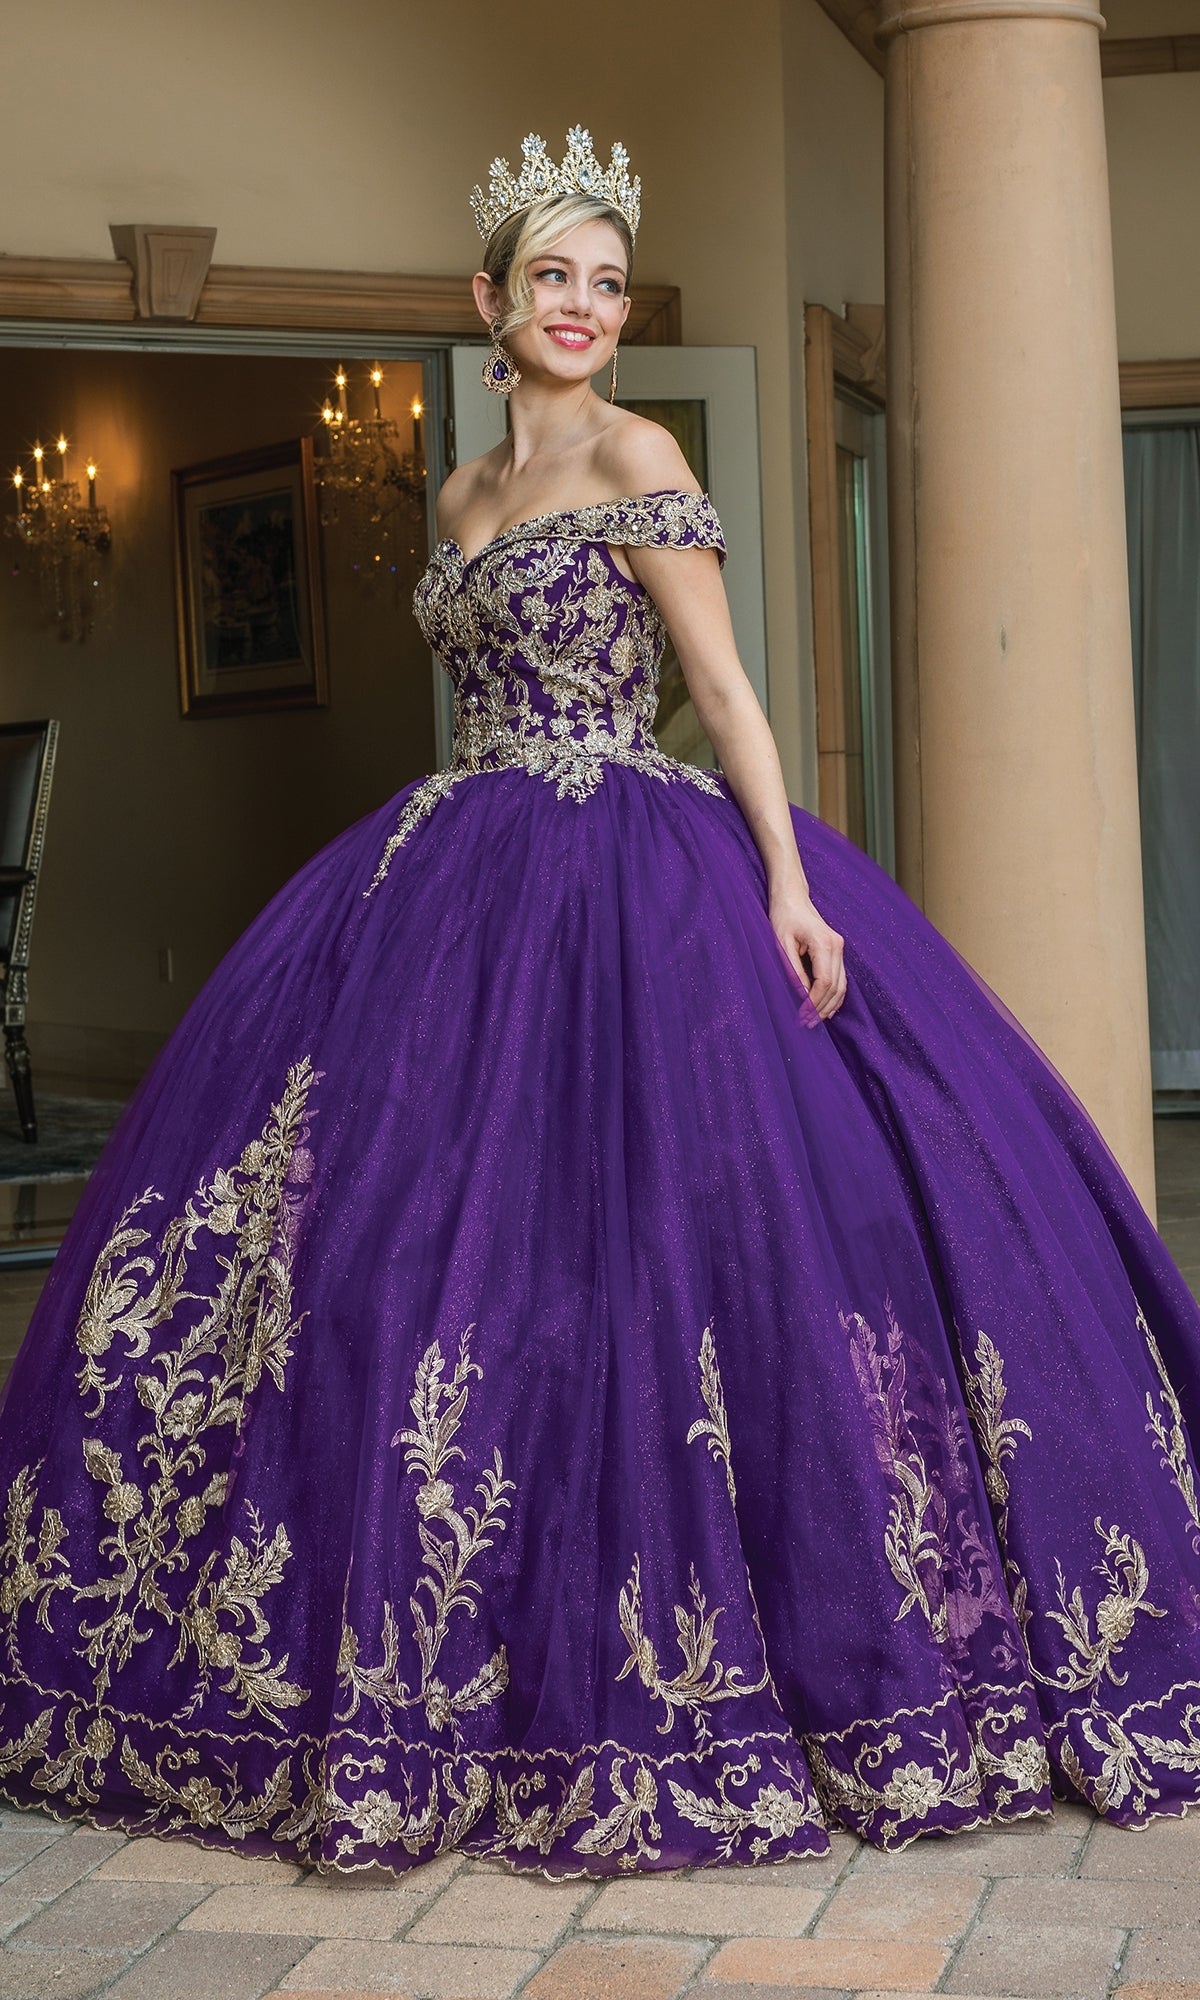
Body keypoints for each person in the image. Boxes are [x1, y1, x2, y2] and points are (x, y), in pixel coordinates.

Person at [0, 127, 1199, 1882]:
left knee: (695, 1237)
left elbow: (726, 696)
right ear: (490, 304)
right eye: (552, 275)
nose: (583, 304)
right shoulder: (466, 494)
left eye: (608, 280)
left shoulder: (640, 454)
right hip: (457, 874)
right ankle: (411, 1661)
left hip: (635, 870)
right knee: (382, 1246)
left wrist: (788, 885)